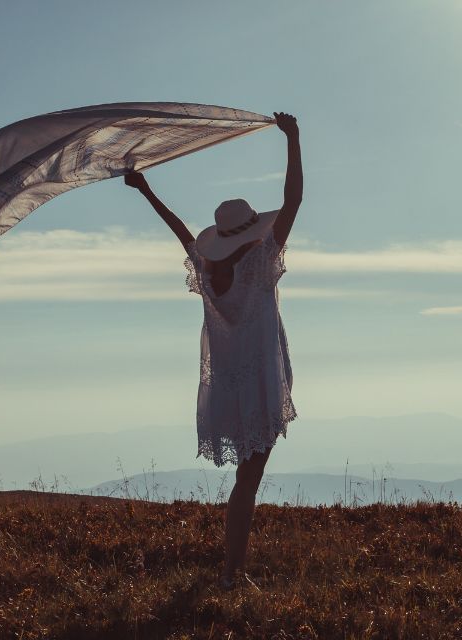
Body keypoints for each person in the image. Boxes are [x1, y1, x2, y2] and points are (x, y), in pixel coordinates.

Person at [124, 112, 302, 589]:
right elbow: (293, 200)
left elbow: (178, 227)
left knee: (247, 478)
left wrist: (145, 190)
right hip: (258, 379)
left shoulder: (207, 270)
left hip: (226, 383)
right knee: (249, 479)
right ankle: (230, 573)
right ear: (250, 232)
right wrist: (293, 139)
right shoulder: (262, 261)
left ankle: (232, 569)